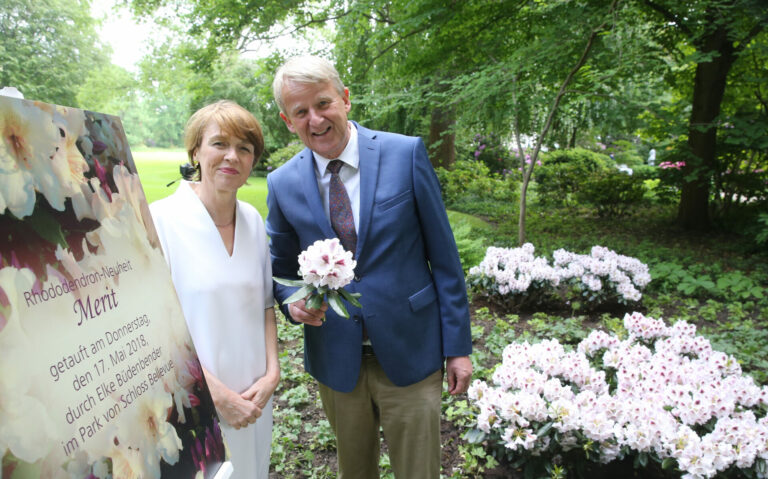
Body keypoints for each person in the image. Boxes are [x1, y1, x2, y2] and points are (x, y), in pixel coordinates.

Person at [266, 56, 473, 478]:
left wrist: (458, 347)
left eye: (323, 104)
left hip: (411, 349)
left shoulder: (405, 153)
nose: (315, 119)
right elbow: (279, 269)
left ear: (345, 99)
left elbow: (446, 260)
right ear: (288, 121)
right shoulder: (282, 183)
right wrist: (292, 302)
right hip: (336, 359)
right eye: (301, 112)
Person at [150, 100, 279, 478]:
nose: (231, 157)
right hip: (194, 395)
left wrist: (272, 374)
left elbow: (266, 306)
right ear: (195, 151)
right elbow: (156, 327)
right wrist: (214, 394)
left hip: (255, 394)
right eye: (219, 144)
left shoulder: (254, 220)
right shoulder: (163, 220)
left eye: (244, 148)